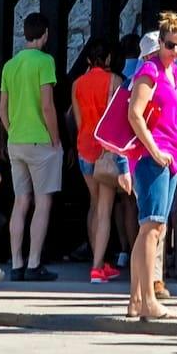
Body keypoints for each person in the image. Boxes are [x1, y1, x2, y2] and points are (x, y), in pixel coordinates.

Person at [111, 15, 177, 325]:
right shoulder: (149, 70)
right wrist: (155, 150)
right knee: (152, 227)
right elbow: (134, 114)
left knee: (153, 229)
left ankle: (136, 299)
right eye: (170, 45)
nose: (175, 51)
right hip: (152, 156)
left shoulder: (174, 73)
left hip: (169, 157)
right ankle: (147, 299)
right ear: (159, 43)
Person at [0, 25, 68, 286]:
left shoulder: (10, 65)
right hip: (41, 140)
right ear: (46, 34)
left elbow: (3, 110)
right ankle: (34, 262)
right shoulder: (45, 61)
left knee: (20, 202)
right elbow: (48, 105)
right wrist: (55, 138)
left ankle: (16, 262)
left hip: (16, 141)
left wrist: (12, 131)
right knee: (43, 202)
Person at [71, 36, 128, 285]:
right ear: (107, 59)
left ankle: (98, 260)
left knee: (94, 205)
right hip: (106, 149)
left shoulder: (77, 84)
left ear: (87, 60)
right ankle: (97, 267)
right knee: (105, 209)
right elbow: (118, 120)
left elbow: (78, 119)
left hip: (84, 146)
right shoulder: (115, 81)